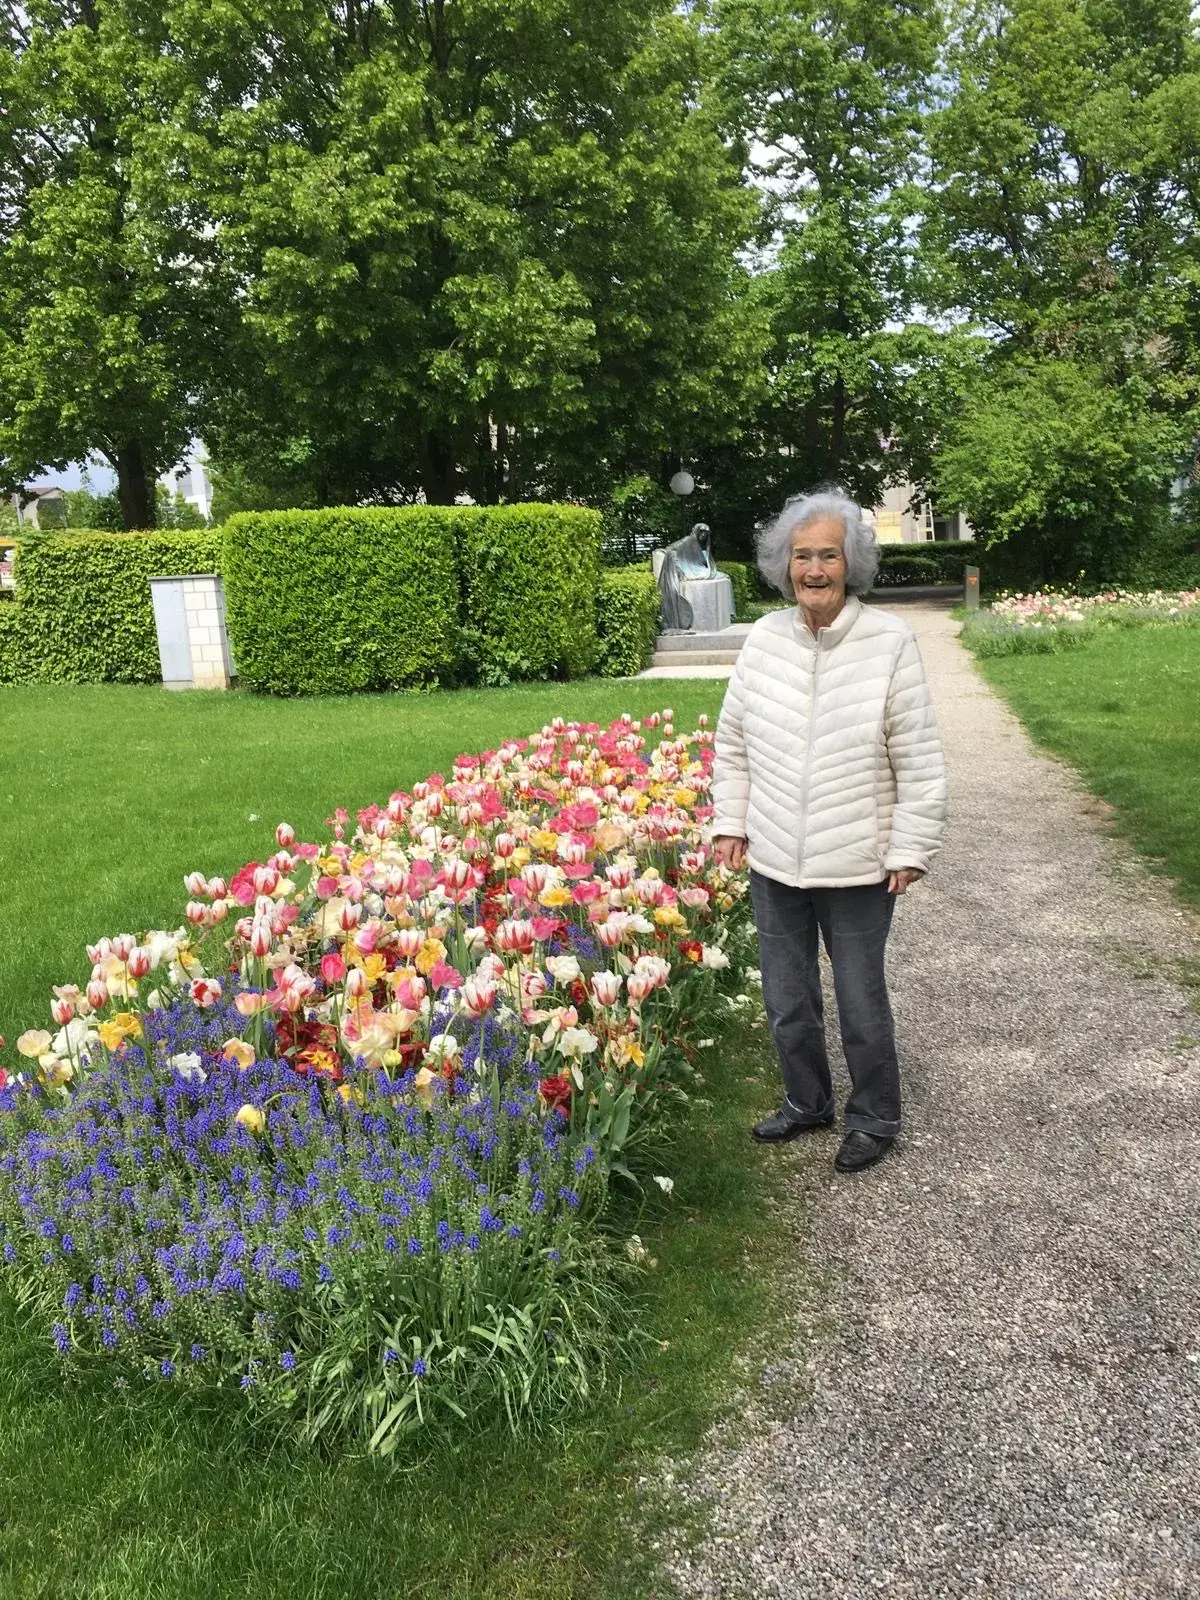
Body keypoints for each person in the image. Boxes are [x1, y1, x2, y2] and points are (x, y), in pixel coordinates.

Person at [711, 491, 947, 1173]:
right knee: (787, 1001)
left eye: (828, 555)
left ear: (852, 565)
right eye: (802, 556)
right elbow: (733, 744)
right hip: (776, 857)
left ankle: (874, 1116)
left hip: (858, 863)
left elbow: (920, 758)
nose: (814, 569)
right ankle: (807, 1103)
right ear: (784, 565)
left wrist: (910, 846)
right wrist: (731, 820)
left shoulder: (888, 642)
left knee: (860, 1000)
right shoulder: (763, 639)